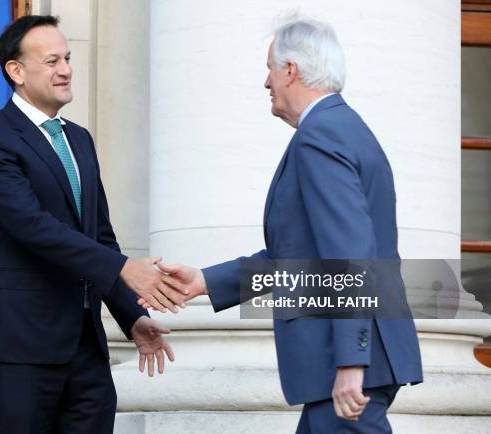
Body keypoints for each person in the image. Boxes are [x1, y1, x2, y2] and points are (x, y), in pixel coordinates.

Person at [146, 15, 423, 433]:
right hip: (342, 362)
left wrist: (351, 362)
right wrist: (204, 281)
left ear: (290, 70)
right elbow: (296, 259)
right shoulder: (341, 128)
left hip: (342, 362)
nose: (266, 82)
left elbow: (351, 254)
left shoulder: (320, 135)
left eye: (270, 68)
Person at [0, 15, 179, 434]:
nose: (65, 69)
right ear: (16, 72)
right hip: (20, 349)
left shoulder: (79, 139)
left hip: (86, 350)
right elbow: (33, 227)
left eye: (67, 57)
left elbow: (99, 237)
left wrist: (131, 316)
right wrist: (122, 269)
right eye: (51, 61)